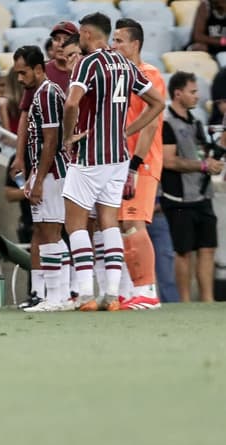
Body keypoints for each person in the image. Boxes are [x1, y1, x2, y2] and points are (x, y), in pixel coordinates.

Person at [62, 12, 165, 311]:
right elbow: (157, 102)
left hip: (90, 154)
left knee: (76, 223)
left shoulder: (88, 63)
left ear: (85, 34)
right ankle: (111, 294)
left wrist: (69, 137)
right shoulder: (124, 64)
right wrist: (126, 131)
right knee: (109, 222)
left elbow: (71, 102)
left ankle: (84, 294)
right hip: (118, 156)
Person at [111, 18, 168, 310]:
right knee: (122, 226)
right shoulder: (119, 77)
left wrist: (134, 165)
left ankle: (148, 290)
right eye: (113, 39)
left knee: (134, 223)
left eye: (119, 40)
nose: (114, 45)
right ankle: (132, 290)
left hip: (142, 162)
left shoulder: (150, 74)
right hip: (119, 161)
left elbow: (150, 126)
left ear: (135, 45)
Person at [14, 45, 72, 312]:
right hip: (46, 172)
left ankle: (56, 296)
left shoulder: (47, 94)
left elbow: (51, 141)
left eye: (23, 72)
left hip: (53, 173)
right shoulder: (41, 93)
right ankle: (60, 293)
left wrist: (38, 180)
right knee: (47, 231)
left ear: (38, 69)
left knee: (50, 232)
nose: (19, 78)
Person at [161, 71, 222, 302]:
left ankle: (207, 300)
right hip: (179, 198)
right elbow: (169, 161)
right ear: (178, 93)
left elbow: (207, 153)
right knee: (183, 251)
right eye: (192, 92)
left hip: (202, 194)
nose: (197, 96)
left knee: (207, 249)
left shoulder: (196, 122)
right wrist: (204, 165)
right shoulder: (167, 123)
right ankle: (184, 301)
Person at [46, 21, 77, 93]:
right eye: (56, 39)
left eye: (66, 39)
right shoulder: (42, 71)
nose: (61, 44)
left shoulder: (85, 71)